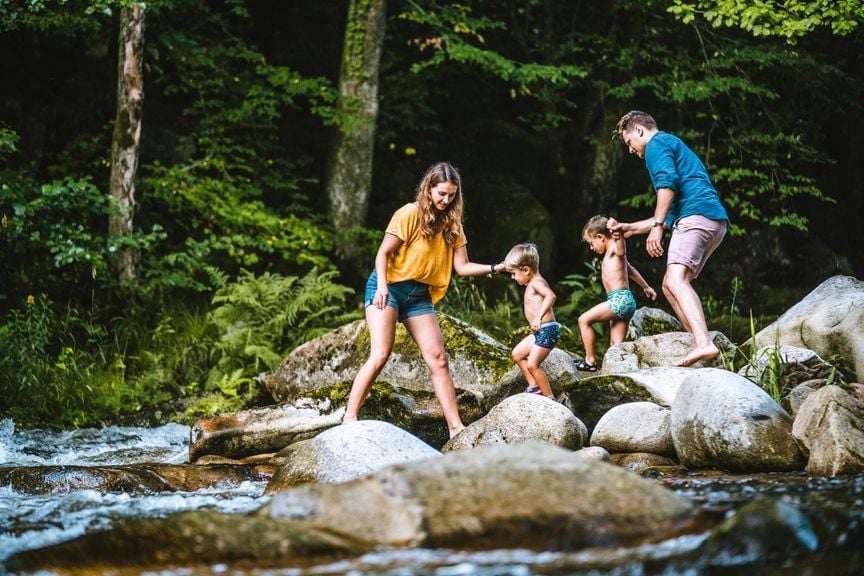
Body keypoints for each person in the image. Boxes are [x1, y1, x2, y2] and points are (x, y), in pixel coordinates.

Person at [342, 162, 500, 438]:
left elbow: (462, 267)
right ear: (429, 188)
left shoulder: (452, 223)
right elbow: (382, 254)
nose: (445, 200)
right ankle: (349, 417)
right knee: (381, 353)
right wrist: (381, 286)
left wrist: (497, 268)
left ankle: (455, 427)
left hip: (419, 296)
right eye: (441, 194)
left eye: (451, 195)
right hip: (388, 287)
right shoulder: (409, 214)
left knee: (438, 359)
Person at [611, 110, 730, 367]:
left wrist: (656, 227)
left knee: (675, 280)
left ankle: (703, 343)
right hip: (711, 219)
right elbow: (671, 208)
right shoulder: (672, 143)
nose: (630, 150)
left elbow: (667, 185)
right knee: (670, 284)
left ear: (640, 131)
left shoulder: (656, 144)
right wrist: (632, 228)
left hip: (695, 216)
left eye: (629, 143)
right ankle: (701, 346)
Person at [577, 215, 656, 372]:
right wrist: (646, 287)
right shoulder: (610, 254)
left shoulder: (614, 248)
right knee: (615, 345)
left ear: (600, 237)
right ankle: (619, 371)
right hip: (625, 302)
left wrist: (618, 232)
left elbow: (621, 249)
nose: (592, 248)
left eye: (591, 243)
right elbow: (631, 271)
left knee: (584, 320)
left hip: (619, 301)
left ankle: (590, 361)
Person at [501, 243, 559, 397]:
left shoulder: (537, 283)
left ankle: (550, 398)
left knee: (533, 365)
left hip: (547, 330)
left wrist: (539, 317)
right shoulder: (532, 283)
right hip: (540, 331)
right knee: (517, 354)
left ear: (526, 269)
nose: (513, 277)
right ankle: (534, 385)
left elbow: (551, 296)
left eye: (513, 273)